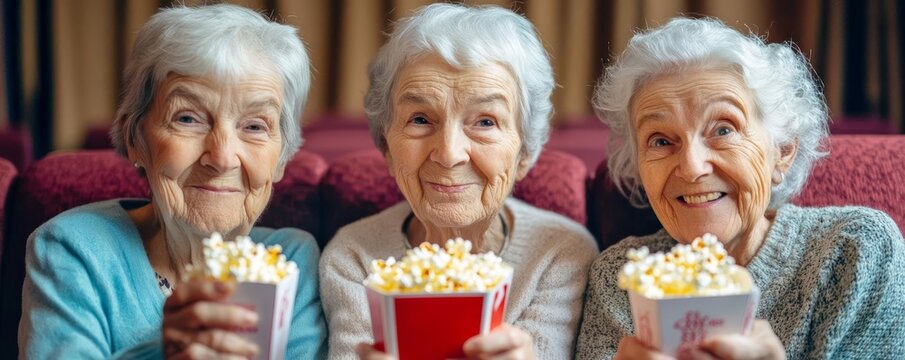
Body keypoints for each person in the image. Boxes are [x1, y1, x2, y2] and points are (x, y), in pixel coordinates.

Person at [575, 17, 905, 360]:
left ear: (783, 150)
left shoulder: (856, 251)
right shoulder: (621, 281)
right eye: (660, 141)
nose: (691, 167)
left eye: (723, 130)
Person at [18, 4, 327, 359]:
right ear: (135, 138)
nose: (222, 157)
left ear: (281, 158)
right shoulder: (75, 250)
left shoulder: (290, 260)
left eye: (255, 126)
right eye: (188, 118)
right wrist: (165, 352)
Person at [319, 3, 599, 359]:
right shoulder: (354, 258)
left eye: (485, 122)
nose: (449, 154)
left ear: (524, 154)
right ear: (387, 147)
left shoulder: (559, 253)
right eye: (420, 119)